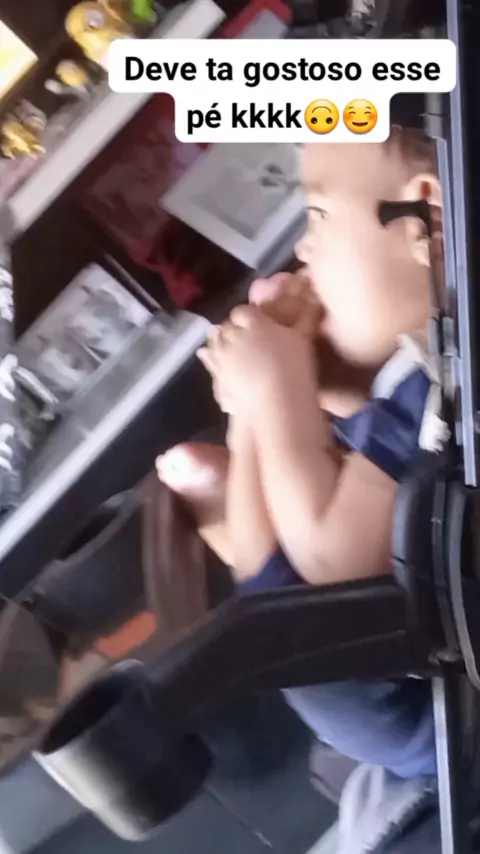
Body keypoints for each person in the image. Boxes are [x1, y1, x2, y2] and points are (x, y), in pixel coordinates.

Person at [156, 130, 446, 804]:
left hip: (437, 721)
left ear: (424, 217)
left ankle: (238, 482)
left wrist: (270, 395)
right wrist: (303, 384)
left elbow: (332, 564)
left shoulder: (448, 381)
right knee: (289, 611)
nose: (304, 252)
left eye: (318, 216)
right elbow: (387, 472)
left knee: (294, 623)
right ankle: (237, 490)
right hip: (423, 680)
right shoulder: (428, 375)